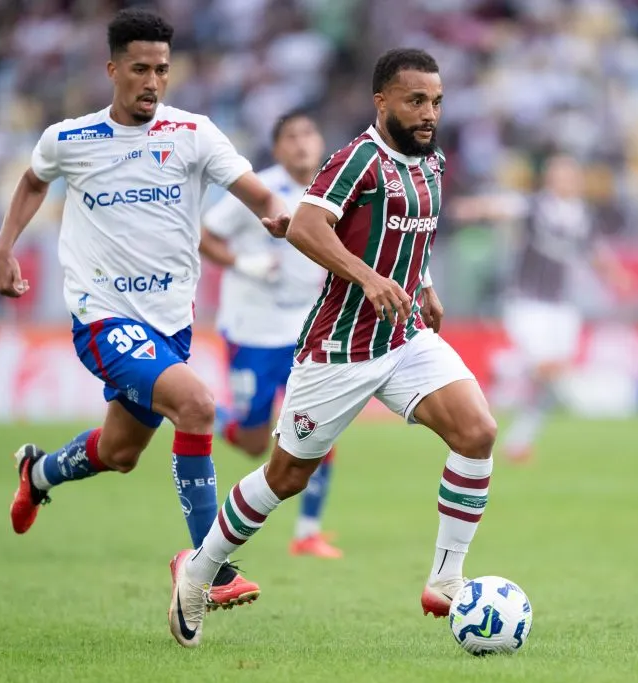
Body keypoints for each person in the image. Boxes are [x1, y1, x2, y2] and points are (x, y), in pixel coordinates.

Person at [167, 47, 498, 648]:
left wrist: (421, 284)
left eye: (437, 102)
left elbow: (405, 233)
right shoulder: (357, 159)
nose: (429, 114)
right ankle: (197, 570)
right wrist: (369, 280)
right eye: (416, 101)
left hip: (403, 337)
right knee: (285, 477)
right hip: (339, 349)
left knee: (477, 432)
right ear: (383, 101)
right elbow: (305, 226)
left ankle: (446, 579)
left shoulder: (433, 162)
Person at [0, 8, 290, 610]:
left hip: (168, 324)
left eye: (162, 70)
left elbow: (256, 191)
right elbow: (32, 181)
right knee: (198, 405)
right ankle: (211, 566)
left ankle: (39, 473)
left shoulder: (193, 133)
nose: (152, 81)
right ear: (112, 70)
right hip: (102, 318)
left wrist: (279, 215)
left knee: (119, 453)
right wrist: (4, 248)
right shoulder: (70, 139)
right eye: (140, 69)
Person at [200, 109, 341, 559]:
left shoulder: (333, 188)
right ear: (278, 149)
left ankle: (308, 531)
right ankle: (209, 415)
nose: (302, 144)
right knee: (255, 443)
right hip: (253, 329)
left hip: (307, 329)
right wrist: (242, 264)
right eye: (291, 137)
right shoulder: (259, 190)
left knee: (319, 428)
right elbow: (203, 234)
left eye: (308, 134)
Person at [501, 154, 631, 463]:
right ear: (550, 179)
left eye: (572, 175)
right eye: (561, 175)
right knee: (546, 368)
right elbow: (502, 206)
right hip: (529, 302)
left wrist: (617, 277)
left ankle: (520, 441)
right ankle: (507, 376)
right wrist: (470, 208)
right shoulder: (535, 206)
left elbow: (594, 252)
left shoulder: (582, 215)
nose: (568, 180)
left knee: (550, 378)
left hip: (562, 307)